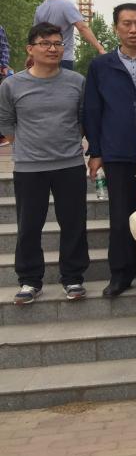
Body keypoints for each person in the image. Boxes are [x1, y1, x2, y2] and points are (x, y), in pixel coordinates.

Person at [84, 4, 136, 298]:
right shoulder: (101, 66)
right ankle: (121, 274)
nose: (133, 30)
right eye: (126, 24)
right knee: (121, 217)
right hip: (117, 153)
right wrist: (96, 152)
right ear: (116, 28)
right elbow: (92, 110)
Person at [0, 23, 89, 304]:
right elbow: (6, 122)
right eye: (45, 43)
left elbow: (82, 119)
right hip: (30, 167)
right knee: (29, 225)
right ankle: (29, 280)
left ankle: (73, 277)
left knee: (73, 223)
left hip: (70, 164)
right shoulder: (12, 85)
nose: (53, 49)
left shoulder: (77, 81)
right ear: (30, 49)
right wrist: (27, 145)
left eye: (58, 43)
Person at [33, 0, 106, 69]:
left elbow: (34, 35)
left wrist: (31, 55)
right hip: (62, 58)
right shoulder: (67, 5)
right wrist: (100, 48)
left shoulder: (40, 8)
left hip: (42, 58)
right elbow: (82, 28)